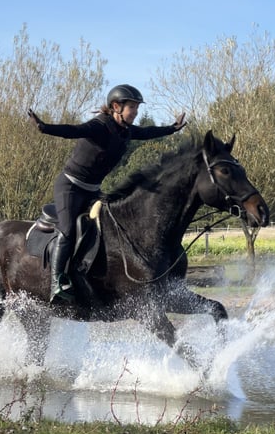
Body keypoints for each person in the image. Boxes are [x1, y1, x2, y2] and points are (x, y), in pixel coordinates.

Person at [28, 84, 187, 303]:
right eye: (132, 108)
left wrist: (171, 128)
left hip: (93, 191)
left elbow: (148, 132)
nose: (136, 113)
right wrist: (45, 128)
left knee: (110, 226)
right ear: (116, 106)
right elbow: (73, 131)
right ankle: (57, 281)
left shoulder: (126, 131)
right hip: (71, 187)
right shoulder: (100, 125)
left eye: (137, 109)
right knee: (67, 230)